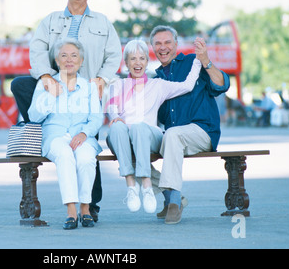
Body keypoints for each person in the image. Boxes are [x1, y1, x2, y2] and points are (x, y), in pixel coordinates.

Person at [10, 0, 122, 221]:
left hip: (87, 90)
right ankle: (39, 126)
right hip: (57, 84)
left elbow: (114, 55)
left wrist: (102, 79)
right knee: (19, 84)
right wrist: (46, 78)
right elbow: (37, 49)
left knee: (87, 148)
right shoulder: (51, 20)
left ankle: (90, 205)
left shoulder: (102, 22)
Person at [105, 40, 201, 214]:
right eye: (133, 58)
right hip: (122, 137)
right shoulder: (117, 85)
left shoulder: (157, 85)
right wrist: (116, 118)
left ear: (146, 62)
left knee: (138, 127)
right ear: (126, 63)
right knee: (119, 127)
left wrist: (198, 61)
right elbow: (111, 109)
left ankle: (147, 186)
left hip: (148, 135)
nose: (137, 63)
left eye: (142, 58)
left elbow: (187, 86)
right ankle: (131, 186)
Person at [149, 25, 230, 224]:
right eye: (158, 43)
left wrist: (206, 61)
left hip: (202, 131)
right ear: (152, 47)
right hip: (172, 137)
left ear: (176, 44)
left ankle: (174, 203)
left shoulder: (193, 62)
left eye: (167, 42)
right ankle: (170, 198)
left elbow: (222, 85)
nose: (163, 47)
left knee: (173, 134)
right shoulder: (154, 79)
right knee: (131, 147)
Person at [28, 38, 104, 230]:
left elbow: (96, 118)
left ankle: (85, 208)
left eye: (74, 56)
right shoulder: (45, 84)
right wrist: (51, 95)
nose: (69, 60)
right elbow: (33, 116)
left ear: (81, 61)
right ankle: (71, 210)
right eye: (64, 55)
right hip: (55, 137)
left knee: (87, 157)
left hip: (82, 135)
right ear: (57, 60)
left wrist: (84, 134)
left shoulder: (89, 87)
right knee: (64, 155)